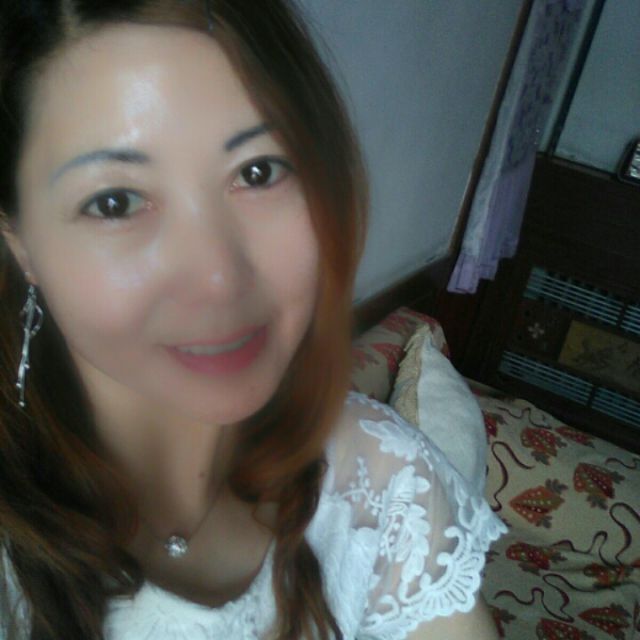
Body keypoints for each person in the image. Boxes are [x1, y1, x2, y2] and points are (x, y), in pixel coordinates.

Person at [0, 1, 506, 638]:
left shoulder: (381, 487)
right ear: (21, 244)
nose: (220, 279)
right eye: (116, 202)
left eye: (257, 171)